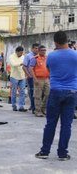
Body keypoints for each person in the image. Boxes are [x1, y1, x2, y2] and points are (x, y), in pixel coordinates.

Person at [35, 31, 77, 161]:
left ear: (55, 42)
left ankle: (45, 151)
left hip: (56, 91)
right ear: (67, 40)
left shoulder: (51, 56)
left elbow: (49, 70)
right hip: (72, 92)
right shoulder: (75, 55)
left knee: (51, 123)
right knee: (66, 125)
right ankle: (62, 153)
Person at [29, 45, 50, 117]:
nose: (44, 52)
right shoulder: (35, 58)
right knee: (38, 96)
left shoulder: (47, 58)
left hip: (46, 79)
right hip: (38, 79)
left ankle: (43, 109)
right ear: (39, 51)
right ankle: (38, 111)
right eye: (42, 50)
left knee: (48, 94)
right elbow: (31, 69)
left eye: (45, 50)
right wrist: (34, 78)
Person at [9, 46, 27, 112]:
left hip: (22, 76)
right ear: (16, 52)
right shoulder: (11, 56)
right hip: (14, 76)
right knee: (14, 91)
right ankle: (14, 105)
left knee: (22, 91)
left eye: (22, 53)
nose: (21, 54)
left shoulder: (23, 57)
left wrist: (26, 74)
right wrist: (21, 63)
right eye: (20, 53)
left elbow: (26, 66)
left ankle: (21, 106)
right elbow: (13, 64)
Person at [23, 43, 39, 114]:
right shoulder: (28, 56)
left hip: (39, 77)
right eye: (35, 48)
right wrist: (28, 75)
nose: (37, 50)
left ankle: (39, 107)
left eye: (38, 48)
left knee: (39, 93)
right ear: (32, 49)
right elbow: (24, 66)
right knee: (32, 93)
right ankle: (33, 108)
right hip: (31, 77)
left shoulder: (40, 56)